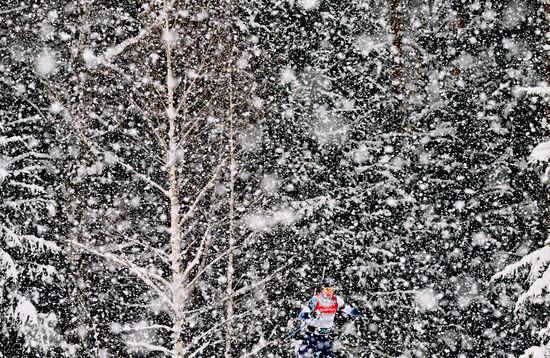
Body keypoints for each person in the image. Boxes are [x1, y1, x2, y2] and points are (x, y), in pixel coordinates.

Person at [296, 278, 359, 358]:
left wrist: (356, 312)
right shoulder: (316, 300)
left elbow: (348, 309)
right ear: (322, 289)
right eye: (327, 290)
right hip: (312, 335)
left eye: (331, 290)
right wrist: (310, 315)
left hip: (325, 336)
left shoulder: (336, 300)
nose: (329, 293)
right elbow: (301, 315)